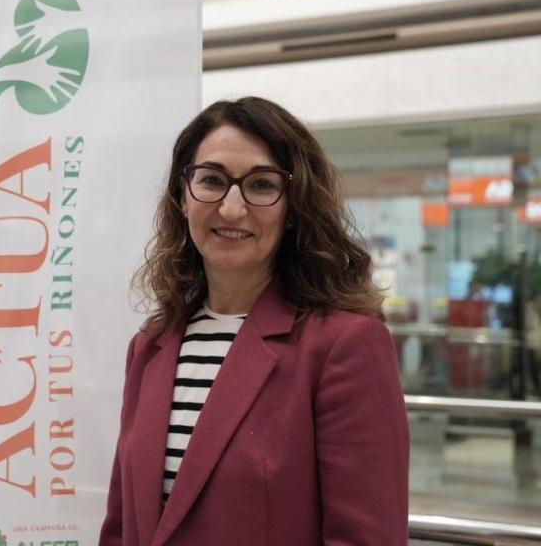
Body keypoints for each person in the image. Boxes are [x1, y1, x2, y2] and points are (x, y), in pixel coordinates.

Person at [99, 97, 409, 545]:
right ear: (182, 197)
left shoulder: (346, 345)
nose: (230, 208)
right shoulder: (150, 347)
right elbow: (121, 526)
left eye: (261, 185)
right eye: (211, 180)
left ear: (294, 207)